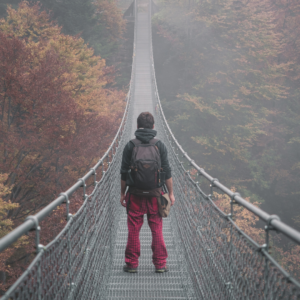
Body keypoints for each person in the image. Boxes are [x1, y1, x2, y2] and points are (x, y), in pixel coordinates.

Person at [120, 112, 175, 273]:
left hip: (135, 195)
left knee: (133, 230)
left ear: (137, 126)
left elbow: (124, 173)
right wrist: (170, 194)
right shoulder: (160, 145)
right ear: (153, 126)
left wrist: (122, 194)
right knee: (157, 229)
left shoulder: (130, 145)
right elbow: (168, 172)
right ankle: (160, 265)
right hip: (156, 195)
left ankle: (131, 264)